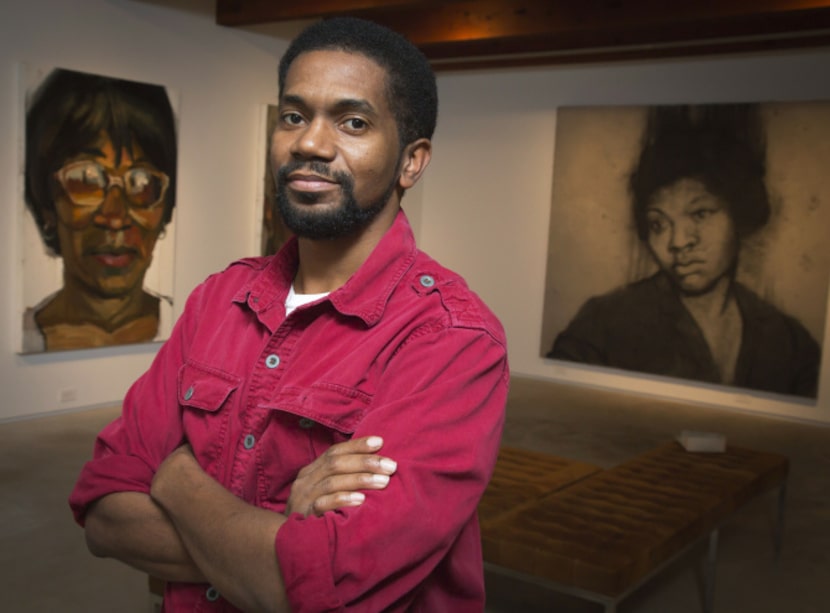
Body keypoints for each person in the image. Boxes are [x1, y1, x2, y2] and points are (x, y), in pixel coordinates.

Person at [69, 17, 508, 613]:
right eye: (294, 116)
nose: (309, 144)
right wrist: (280, 532)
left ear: (411, 161)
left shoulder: (451, 339)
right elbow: (103, 516)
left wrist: (173, 476)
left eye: (353, 122)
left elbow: (328, 586)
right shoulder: (218, 300)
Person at [548, 104, 820, 397]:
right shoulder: (604, 323)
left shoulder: (787, 341)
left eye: (700, 214)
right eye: (658, 224)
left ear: (738, 216)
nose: (678, 242)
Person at [23, 68, 177, 352]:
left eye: (142, 183)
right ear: (47, 204)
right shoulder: (26, 338)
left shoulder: (189, 330)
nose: (115, 218)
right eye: (86, 181)